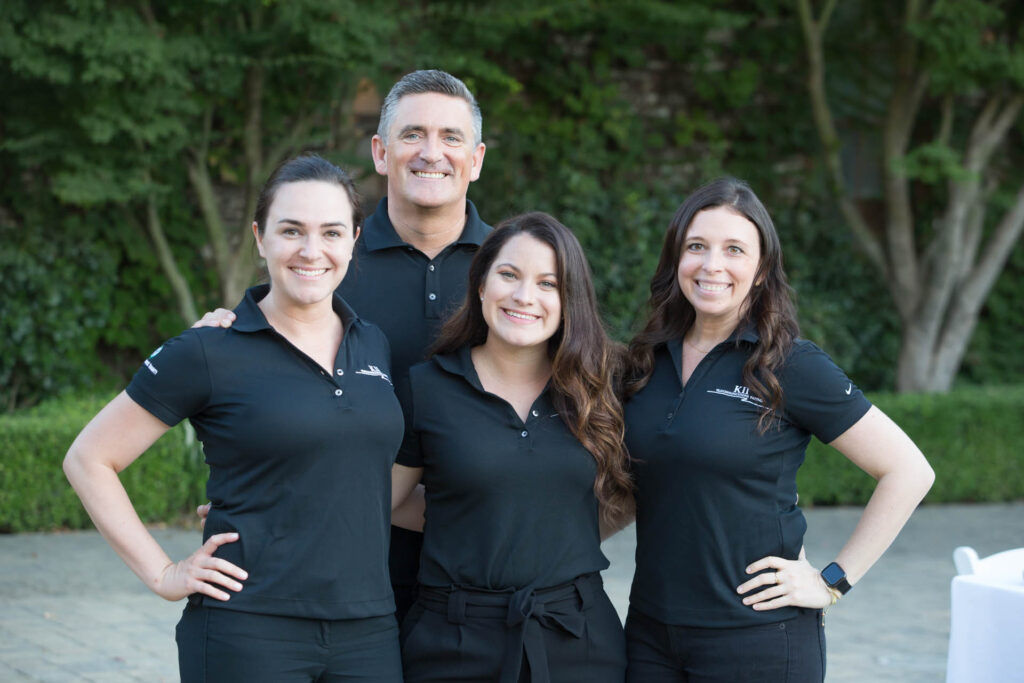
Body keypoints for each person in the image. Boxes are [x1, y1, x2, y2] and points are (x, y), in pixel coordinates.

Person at [64, 155, 406, 682]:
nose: (311, 251)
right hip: (249, 630)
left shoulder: (374, 343)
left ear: (354, 239)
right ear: (259, 237)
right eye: (291, 230)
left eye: (331, 232)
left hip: (369, 630)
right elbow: (89, 459)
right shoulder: (210, 348)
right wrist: (163, 573)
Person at [197, 70, 490, 621]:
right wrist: (254, 488)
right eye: (412, 135)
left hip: (478, 570)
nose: (432, 153)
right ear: (380, 152)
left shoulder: (513, 275)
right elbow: (250, 367)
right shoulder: (326, 262)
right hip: (334, 568)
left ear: (475, 158)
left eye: (451, 137)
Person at [621, 177, 935, 682]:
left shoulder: (790, 364)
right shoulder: (644, 362)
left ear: (762, 269)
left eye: (735, 250)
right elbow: (632, 490)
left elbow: (908, 470)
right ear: (676, 258)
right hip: (651, 635)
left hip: (759, 640)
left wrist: (833, 581)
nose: (712, 265)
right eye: (696, 246)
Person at [390, 212, 633, 682]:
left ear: (570, 301)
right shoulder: (428, 387)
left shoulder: (602, 386)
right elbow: (385, 500)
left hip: (578, 637)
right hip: (453, 641)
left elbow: (634, 492)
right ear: (480, 284)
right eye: (508, 275)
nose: (524, 296)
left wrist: (823, 580)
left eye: (548, 283)